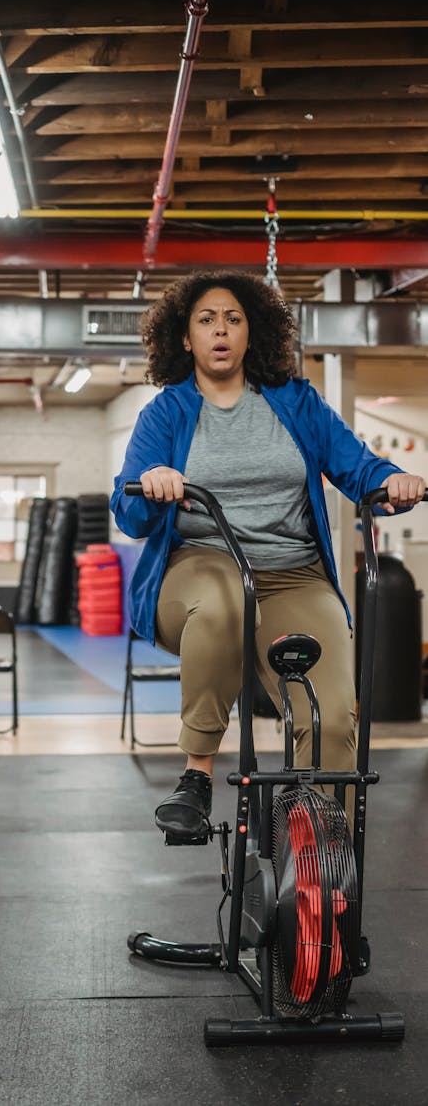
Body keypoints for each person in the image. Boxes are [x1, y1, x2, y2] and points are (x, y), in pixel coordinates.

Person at [111, 270, 425, 845]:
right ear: (185, 339)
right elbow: (127, 512)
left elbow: (358, 468)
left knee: (331, 718)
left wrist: (393, 480)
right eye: (206, 320)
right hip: (201, 565)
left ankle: (320, 850)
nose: (221, 330)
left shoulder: (295, 402)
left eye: (233, 318)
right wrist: (152, 481)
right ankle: (197, 774)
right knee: (228, 598)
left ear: (251, 331)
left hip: (295, 575)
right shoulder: (167, 412)